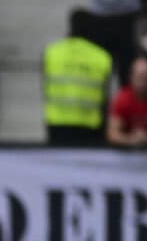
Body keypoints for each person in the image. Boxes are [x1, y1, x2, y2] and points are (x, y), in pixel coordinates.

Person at [43, 10, 113, 146]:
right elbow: (106, 96)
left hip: (57, 123)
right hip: (90, 125)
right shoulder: (102, 57)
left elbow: (45, 87)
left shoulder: (52, 52)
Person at [106, 56, 147, 148]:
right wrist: (131, 139)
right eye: (139, 77)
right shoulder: (122, 98)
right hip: (126, 151)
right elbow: (112, 134)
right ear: (132, 77)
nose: (143, 83)